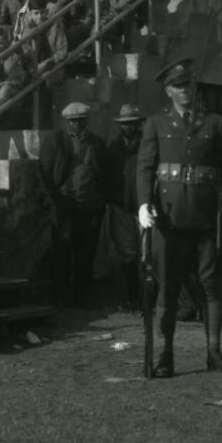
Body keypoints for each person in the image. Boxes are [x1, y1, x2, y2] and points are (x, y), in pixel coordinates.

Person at [136, 57, 222, 376]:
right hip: (169, 219)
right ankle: (165, 356)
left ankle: (214, 352)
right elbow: (145, 168)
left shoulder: (214, 124)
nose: (185, 91)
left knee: (209, 285)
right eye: (178, 87)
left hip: (205, 218)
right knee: (167, 288)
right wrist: (143, 204)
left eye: (189, 85)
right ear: (168, 91)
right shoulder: (156, 123)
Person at [45, 103, 110, 308]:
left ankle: (82, 297)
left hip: (90, 206)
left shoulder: (97, 143)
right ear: (66, 122)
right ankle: (60, 297)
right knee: (62, 251)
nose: (76, 124)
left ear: (86, 121)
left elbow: (104, 174)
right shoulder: (55, 140)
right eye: (72, 121)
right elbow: (45, 172)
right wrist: (53, 198)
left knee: (86, 252)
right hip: (64, 204)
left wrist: (101, 200)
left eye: (80, 120)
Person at [102, 103, 145, 310]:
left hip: (144, 207)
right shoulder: (114, 147)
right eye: (125, 124)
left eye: (132, 123)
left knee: (148, 254)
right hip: (121, 207)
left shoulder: (148, 145)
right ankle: (132, 296)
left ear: (138, 124)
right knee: (127, 254)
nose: (129, 127)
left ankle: (149, 297)